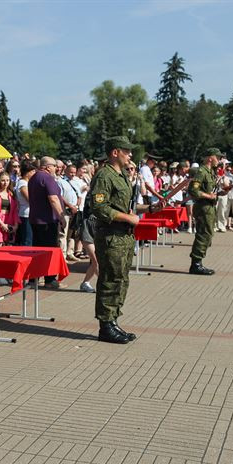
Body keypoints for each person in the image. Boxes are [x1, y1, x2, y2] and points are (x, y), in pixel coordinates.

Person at [86, 136, 165, 344]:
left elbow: (125, 207)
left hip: (124, 236)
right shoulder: (104, 175)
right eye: (126, 151)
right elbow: (100, 207)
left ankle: (113, 321)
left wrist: (148, 209)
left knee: (121, 279)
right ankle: (105, 326)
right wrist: (128, 217)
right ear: (115, 152)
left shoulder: (120, 176)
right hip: (111, 236)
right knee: (110, 280)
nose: (130, 155)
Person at [28, 157, 65, 288]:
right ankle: (50, 279)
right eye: (55, 166)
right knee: (50, 251)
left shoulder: (33, 178)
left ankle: (34, 279)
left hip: (36, 220)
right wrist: (61, 217)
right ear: (48, 167)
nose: (57, 168)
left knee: (37, 251)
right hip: (47, 221)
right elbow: (54, 199)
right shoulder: (47, 178)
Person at [188, 148, 223, 274]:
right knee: (204, 234)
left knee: (208, 234)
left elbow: (210, 190)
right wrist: (209, 196)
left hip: (209, 207)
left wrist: (220, 193)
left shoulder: (210, 172)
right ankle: (196, 264)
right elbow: (193, 190)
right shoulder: (201, 171)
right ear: (210, 158)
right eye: (217, 157)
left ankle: (198, 261)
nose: (218, 160)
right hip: (203, 207)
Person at [0, 172, 18, 248]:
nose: (5, 183)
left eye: (7, 180)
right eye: (3, 180)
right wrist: (2, 224)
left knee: (9, 248)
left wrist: (15, 226)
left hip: (9, 221)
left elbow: (15, 210)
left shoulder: (11, 194)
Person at [14, 160, 36, 246]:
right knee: (27, 240)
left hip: (30, 213)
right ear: (27, 173)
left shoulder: (27, 183)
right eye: (33, 171)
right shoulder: (23, 184)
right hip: (26, 214)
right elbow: (30, 199)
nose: (34, 174)